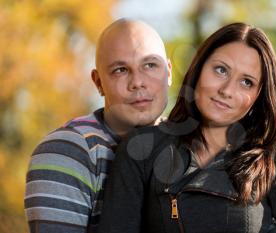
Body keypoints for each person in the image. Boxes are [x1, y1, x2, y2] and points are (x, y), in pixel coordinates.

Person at [97, 22, 276, 233]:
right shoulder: (141, 149)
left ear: (258, 96)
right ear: (199, 68)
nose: (227, 90)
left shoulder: (274, 159)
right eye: (221, 70)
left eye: (246, 82)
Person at [24, 18, 172, 233]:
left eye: (150, 65)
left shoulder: (193, 146)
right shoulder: (65, 151)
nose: (138, 82)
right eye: (120, 70)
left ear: (168, 71)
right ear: (98, 82)